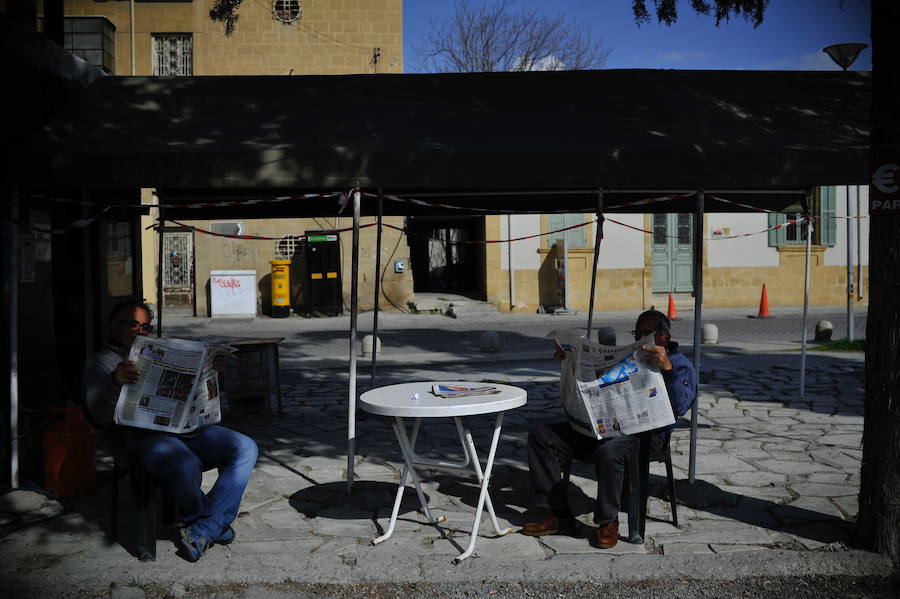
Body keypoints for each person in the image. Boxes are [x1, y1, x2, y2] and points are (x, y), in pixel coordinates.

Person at [83, 298, 258, 562]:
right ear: (113, 327)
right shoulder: (102, 363)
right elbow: (99, 417)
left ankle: (204, 527)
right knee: (183, 463)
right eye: (132, 324)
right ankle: (210, 524)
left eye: (145, 326)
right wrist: (115, 382)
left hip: (187, 431)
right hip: (141, 440)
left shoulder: (157, 351)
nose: (139, 331)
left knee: (245, 447)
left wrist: (211, 371)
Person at [521, 310, 696, 549]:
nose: (642, 337)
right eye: (638, 333)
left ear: (664, 337)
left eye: (648, 333)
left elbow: (681, 405)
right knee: (542, 437)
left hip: (647, 435)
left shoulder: (680, 364)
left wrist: (667, 369)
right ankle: (559, 515)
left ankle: (607, 521)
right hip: (608, 427)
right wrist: (570, 362)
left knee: (610, 451)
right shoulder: (631, 356)